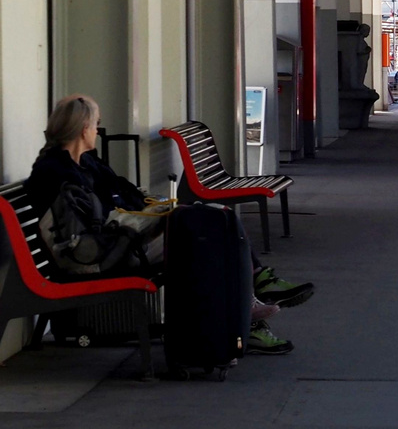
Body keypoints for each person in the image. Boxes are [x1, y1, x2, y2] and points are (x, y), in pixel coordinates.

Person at [25, 95, 313, 355]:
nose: (98, 130)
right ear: (83, 127)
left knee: (215, 219)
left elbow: (123, 195)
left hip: (115, 242)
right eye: (96, 123)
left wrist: (151, 213)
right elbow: (88, 235)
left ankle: (249, 305)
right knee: (203, 235)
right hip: (100, 256)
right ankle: (247, 313)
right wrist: (145, 223)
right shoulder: (55, 173)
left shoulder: (85, 163)